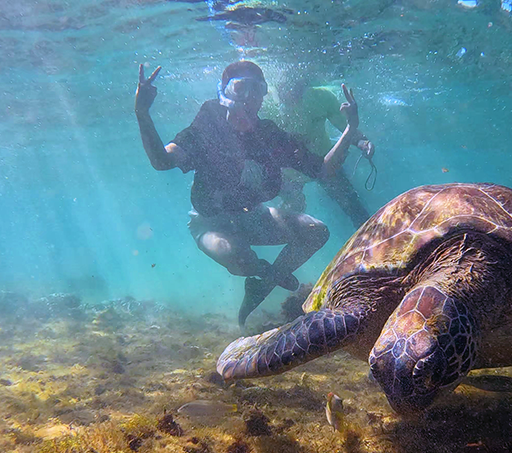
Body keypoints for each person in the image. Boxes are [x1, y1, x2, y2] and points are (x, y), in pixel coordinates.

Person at [134, 60, 362, 331]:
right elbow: (162, 161)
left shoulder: (269, 135)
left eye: (258, 89)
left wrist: (349, 131)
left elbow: (323, 169)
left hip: (253, 217)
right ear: (224, 91)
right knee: (237, 256)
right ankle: (263, 272)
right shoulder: (207, 125)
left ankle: (262, 285)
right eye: (241, 87)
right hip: (209, 222)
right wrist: (142, 113)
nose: (250, 97)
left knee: (316, 231)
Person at [272, 76, 375, 227]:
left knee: (354, 207)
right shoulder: (266, 104)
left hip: (325, 162)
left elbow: (345, 126)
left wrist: (363, 143)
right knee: (288, 219)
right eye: (284, 92)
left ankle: (373, 241)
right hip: (289, 172)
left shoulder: (321, 97)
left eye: (294, 92)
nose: (289, 96)